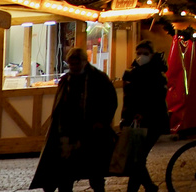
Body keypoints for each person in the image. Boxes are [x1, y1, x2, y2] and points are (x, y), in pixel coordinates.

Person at [30, 48, 117, 192]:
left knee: (95, 171)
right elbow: (59, 105)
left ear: (84, 62)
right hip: (68, 132)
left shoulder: (98, 78)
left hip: (92, 132)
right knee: (65, 173)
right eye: (71, 64)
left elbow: (110, 101)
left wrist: (102, 121)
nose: (73, 67)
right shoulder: (67, 79)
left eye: (76, 64)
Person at [121, 41, 168, 192]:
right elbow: (128, 99)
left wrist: (143, 113)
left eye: (145, 54)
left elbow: (157, 98)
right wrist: (126, 118)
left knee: (138, 158)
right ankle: (149, 187)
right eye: (139, 53)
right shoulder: (132, 72)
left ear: (152, 55)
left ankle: (146, 187)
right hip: (135, 122)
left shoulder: (157, 74)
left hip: (152, 121)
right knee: (137, 158)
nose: (141, 56)